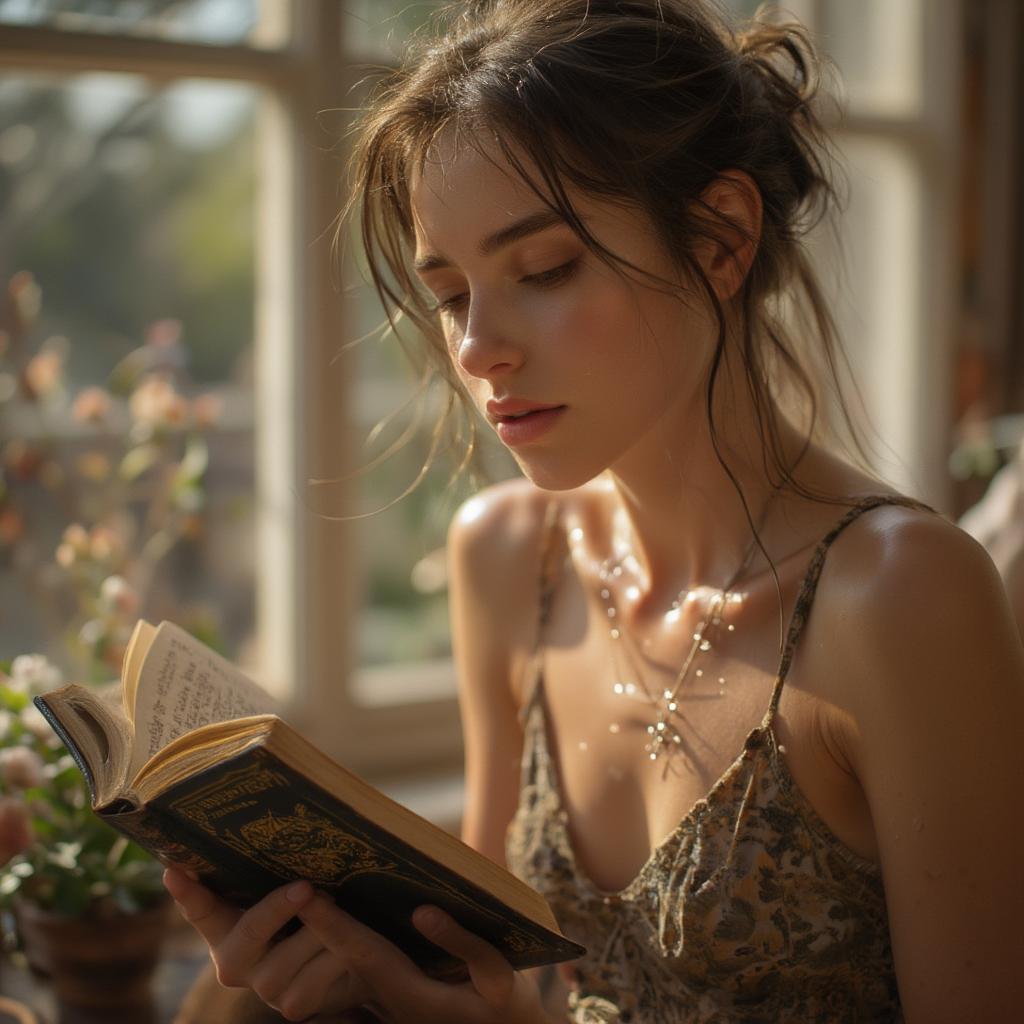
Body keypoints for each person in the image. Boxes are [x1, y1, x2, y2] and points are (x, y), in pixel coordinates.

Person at [163, 1, 1024, 1020]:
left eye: (543, 270)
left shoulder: (898, 592)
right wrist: (349, 968)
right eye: (449, 293)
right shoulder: (506, 558)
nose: (479, 347)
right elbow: (483, 964)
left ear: (719, 237)